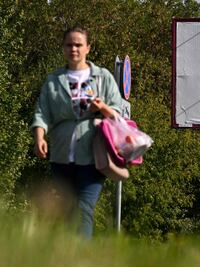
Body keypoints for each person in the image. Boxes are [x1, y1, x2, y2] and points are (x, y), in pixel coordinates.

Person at [30, 26, 122, 238]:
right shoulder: (54, 80)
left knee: (83, 209)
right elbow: (42, 112)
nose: (74, 49)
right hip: (61, 155)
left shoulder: (103, 77)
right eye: (69, 44)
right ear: (63, 48)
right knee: (66, 213)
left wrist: (102, 108)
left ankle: (80, 258)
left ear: (88, 48)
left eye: (78, 44)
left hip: (93, 156)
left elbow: (118, 115)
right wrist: (39, 137)